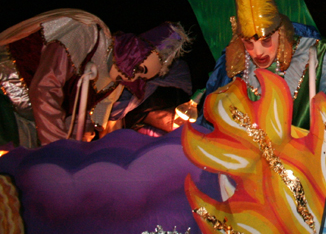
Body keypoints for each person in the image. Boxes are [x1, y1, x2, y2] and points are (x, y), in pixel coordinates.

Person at [0, 9, 190, 147]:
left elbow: (92, 118)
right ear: (134, 47)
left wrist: (85, 135)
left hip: (25, 121)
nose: (133, 75)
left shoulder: (112, 86)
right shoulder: (88, 33)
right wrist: (58, 149)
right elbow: (45, 88)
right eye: (138, 66)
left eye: (141, 75)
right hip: (4, 92)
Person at [200, 0, 326, 130]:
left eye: (266, 41)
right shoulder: (234, 65)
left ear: (280, 32)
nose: (258, 52)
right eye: (249, 43)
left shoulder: (320, 55)